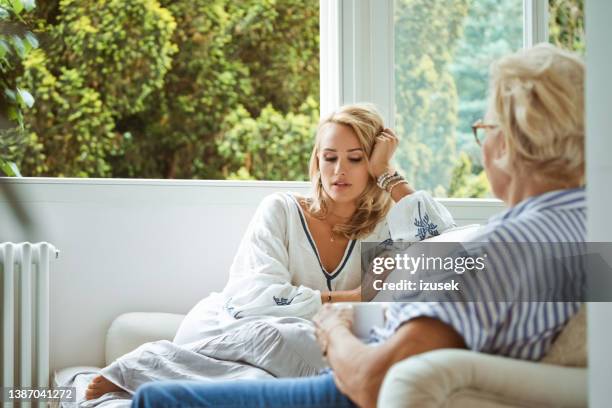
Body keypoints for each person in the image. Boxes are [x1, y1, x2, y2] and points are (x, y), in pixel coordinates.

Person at [131, 43, 587, 408]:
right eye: (329, 158)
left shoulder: (498, 249)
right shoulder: (584, 225)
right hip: (307, 339)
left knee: (156, 401)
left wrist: (334, 330)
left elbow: (374, 384)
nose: (339, 170)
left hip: (352, 382)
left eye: (485, 130)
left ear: (505, 145)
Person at [84, 104, 455, 401]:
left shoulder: (387, 225)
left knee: (272, 373)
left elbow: (447, 253)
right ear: (317, 160)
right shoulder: (280, 209)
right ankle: (144, 366)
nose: (339, 170)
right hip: (235, 326)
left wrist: (390, 174)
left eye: (356, 159)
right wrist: (352, 299)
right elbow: (255, 297)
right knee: (284, 336)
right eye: (330, 157)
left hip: (308, 343)